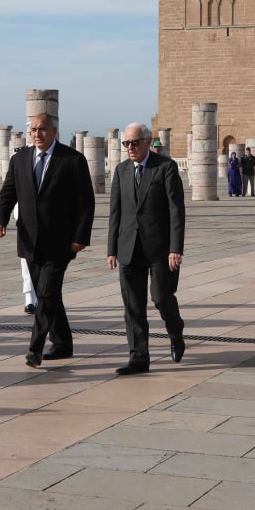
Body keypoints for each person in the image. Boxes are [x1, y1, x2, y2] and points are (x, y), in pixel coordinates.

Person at [0, 112, 95, 367]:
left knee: (47, 293)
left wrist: (80, 236)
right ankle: (62, 344)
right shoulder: (20, 159)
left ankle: (35, 348)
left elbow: (85, 203)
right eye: (34, 130)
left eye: (43, 130)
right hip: (30, 241)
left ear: (54, 132)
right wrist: (0, 221)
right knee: (47, 294)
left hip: (60, 242)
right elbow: (7, 194)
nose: (37, 134)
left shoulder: (72, 160)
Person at [107, 122, 186, 375]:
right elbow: (115, 212)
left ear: (147, 141)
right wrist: (111, 249)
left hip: (160, 249)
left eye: (134, 143)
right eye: (126, 144)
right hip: (129, 248)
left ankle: (175, 332)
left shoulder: (165, 168)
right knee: (133, 306)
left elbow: (176, 211)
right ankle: (138, 358)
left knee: (161, 298)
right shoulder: (121, 171)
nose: (130, 148)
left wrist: (176, 248)